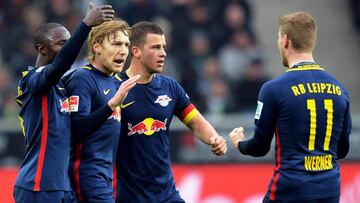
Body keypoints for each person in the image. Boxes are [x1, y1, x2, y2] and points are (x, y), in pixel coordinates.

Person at [229, 11, 352, 203]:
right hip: (329, 191)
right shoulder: (339, 90)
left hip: (290, 190)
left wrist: (239, 144)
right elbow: (342, 149)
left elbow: (260, 147)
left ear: (285, 40)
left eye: (279, 38)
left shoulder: (273, 89)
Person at [114, 21, 227, 203]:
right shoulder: (114, 88)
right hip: (128, 195)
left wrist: (214, 139)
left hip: (166, 194)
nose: (163, 53)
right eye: (156, 47)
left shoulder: (170, 87)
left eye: (164, 47)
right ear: (136, 52)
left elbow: (196, 122)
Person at [14, 3, 115, 203]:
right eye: (61, 43)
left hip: (63, 187)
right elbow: (61, 64)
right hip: (38, 185)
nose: (69, 48)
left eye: (69, 42)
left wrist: (110, 106)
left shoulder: (62, 87)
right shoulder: (32, 80)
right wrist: (85, 25)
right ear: (42, 49)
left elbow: (79, 127)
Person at [64, 19, 139, 203]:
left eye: (126, 44)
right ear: (96, 46)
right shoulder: (82, 79)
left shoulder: (116, 83)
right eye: (116, 44)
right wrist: (111, 105)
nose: (123, 50)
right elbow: (76, 129)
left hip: (108, 176)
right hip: (86, 174)